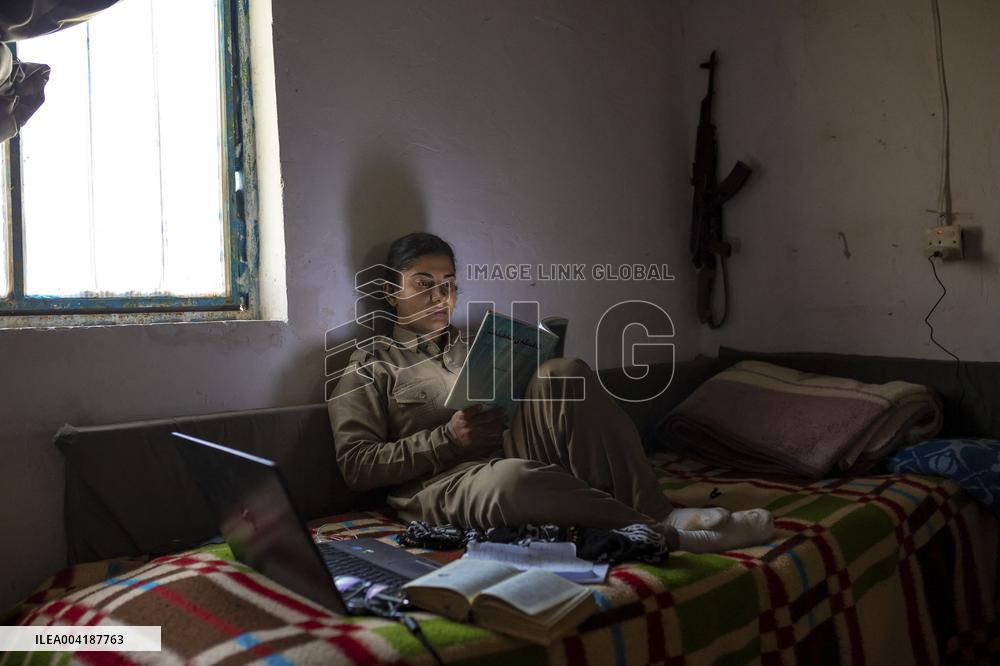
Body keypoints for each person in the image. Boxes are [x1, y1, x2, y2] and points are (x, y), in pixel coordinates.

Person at [327, 232, 774, 553]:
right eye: (425, 283)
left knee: (564, 373)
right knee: (512, 479)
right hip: (442, 486)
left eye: (449, 284)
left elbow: (526, 405)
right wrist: (447, 439)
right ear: (390, 292)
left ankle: (657, 509)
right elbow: (356, 465)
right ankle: (662, 532)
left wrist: (525, 374)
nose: (441, 296)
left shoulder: (473, 343)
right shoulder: (369, 365)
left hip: (506, 447)